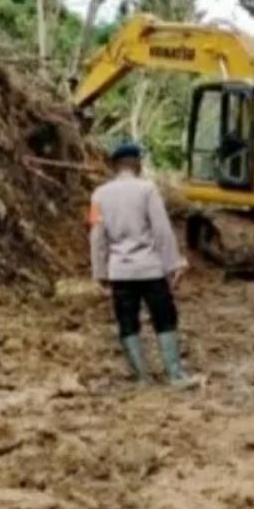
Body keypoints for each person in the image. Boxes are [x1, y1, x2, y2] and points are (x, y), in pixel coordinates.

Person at [89, 140, 194, 387]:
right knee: (164, 317)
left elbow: (97, 236)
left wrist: (100, 273)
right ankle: (175, 374)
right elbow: (161, 230)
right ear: (137, 163)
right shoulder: (147, 190)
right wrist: (174, 264)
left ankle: (141, 377)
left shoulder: (99, 195)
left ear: (115, 165)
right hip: (150, 269)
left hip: (120, 271)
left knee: (127, 321)